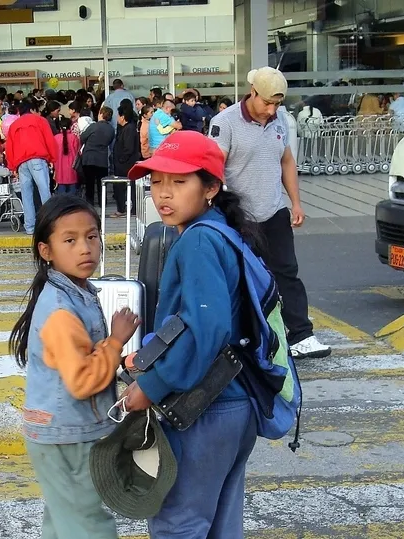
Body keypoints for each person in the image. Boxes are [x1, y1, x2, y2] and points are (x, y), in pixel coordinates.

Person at [119, 130, 262, 538]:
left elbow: (206, 327)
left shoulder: (197, 241)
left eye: (179, 182)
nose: (164, 194)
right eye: (156, 182)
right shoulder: (222, 233)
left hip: (205, 408)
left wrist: (153, 384)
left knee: (177, 524)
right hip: (236, 404)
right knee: (220, 523)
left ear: (211, 188)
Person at [9, 194, 140, 539]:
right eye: (70, 240)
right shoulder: (60, 309)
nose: (85, 248)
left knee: (65, 522)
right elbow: (81, 381)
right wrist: (116, 341)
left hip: (64, 432)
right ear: (46, 251)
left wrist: (116, 357)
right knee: (87, 526)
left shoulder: (74, 291)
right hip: (66, 435)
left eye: (92, 236)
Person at [207, 67, 330, 358]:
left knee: (287, 272)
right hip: (239, 214)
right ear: (253, 93)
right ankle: (242, 338)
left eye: (277, 103)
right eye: (266, 102)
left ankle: (301, 335)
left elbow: (287, 162)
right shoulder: (225, 123)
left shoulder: (279, 122)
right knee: (240, 277)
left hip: (273, 210)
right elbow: (213, 167)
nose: (271, 109)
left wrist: (296, 203)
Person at [5, 98, 59, 235]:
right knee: (44, 192)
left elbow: (9, 148)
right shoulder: (40, 121)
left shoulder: (14, 125)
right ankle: (49, 225)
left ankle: (30, 227)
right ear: (32, 110)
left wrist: (12, 167)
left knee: (26, 195)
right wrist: (53, 159)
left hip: (21, 163)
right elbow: (50, 141)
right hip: (38, 159)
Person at [79, 106, 114, 206]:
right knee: (101, 183)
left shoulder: (93, 126)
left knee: (89, 183)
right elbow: (110, 141)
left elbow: (82, 138)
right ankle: (102, 202)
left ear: (102, 114)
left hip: (89, 157)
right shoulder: (111, 129)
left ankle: (89, 203)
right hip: (102, 158)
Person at [111, 103, 140, 217]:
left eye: (118, 116)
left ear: (122, 117)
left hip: (125, 164)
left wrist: (121, 159)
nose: (117, 118)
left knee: (123, 186)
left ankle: (123, 209)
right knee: (123, 187)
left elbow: (128, 148)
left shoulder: (129, 129)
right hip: (122, 163)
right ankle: (124, 208)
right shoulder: (124, 128)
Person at [53, 116, 80, 196]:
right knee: (73, 193)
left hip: (59, 169)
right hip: (73, 169)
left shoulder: (56, 138)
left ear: (60, 127)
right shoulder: (74, 138)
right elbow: (78, 152)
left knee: (61, 193)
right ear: (70, 126)